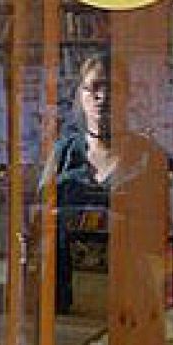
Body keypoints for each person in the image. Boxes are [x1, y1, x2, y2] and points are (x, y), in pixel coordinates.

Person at [47, 56, 122, 315]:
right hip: (64, 305)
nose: (103, 96)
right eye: (95, 87)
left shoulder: (148, 158)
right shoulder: (63, 154)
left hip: (128, 302)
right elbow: (37, 219)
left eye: (113, 88)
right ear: (80, 95)